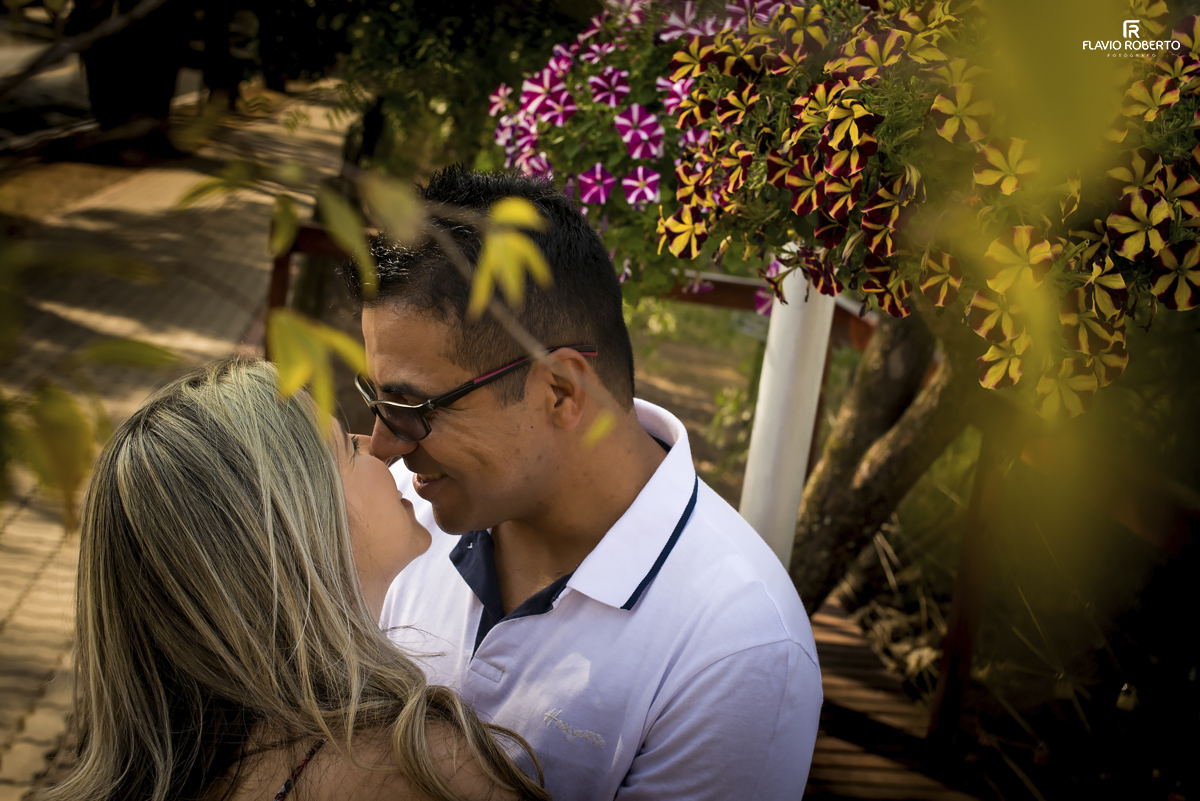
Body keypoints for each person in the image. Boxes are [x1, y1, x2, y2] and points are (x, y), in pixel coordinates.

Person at [342, 166, 822, 801]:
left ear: (561, 391)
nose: (383, 445)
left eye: (412, 407)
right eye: (376, 400)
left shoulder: (738, 651)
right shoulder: (400, 518)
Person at [42, 359, 551, 801]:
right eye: (346, 449)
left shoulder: (174, 764)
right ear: (299, 526)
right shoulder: (424, 770)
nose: (378, 448)